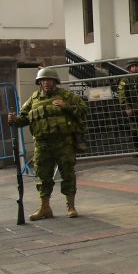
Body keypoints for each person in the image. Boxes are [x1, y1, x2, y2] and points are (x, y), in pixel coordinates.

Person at [8, 67, 87, 220]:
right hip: (42, 145)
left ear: (55, 81)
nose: (46, 83)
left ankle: (70, 206)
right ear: (39, 82)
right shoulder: (34, 99)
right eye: (43, 80)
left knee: (68, 174)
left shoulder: (66, 96)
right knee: (43, 176)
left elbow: (83, 110)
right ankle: (45, 208)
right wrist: (13, 120)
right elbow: (23, 119)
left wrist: (67, 107)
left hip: (64, 143)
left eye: (49, 80)